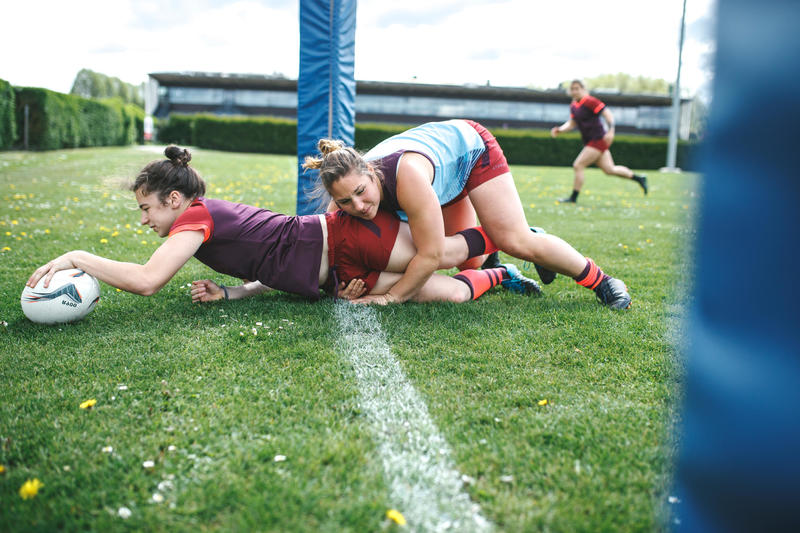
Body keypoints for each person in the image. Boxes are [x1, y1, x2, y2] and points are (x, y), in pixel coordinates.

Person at [26, 145, 535, 305]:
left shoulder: (196, 219)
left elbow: (146, 281)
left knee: (441, 254)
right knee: (450, 294)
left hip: (344, 238)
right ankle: (501, 274)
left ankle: (509, 239)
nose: (144, 220)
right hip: (334, 277)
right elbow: (267, 257)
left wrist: (77, 257)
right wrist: (236, 295)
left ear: (175, 199)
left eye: (147, 209)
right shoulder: (197, 227)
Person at [304, 119, 632, 309]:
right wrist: (345, 284)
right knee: (469, 263)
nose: (358, 207)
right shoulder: (347, 196)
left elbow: (431, 256)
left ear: (370, 172)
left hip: (470, 151)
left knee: (513, 239)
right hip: (439, 178)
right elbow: (331, 251)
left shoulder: (405, 177)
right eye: (346, 202)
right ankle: (505, 266)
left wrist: (390, 297)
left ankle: (601, 280)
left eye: (362, 193)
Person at [550, 79, 648, 203]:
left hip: (598, 140)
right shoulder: (574, 105)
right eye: (572, 89)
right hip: (590, 141)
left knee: (578, 165)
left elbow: (608, 114)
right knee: (610, 170)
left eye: (577, 88)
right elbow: (572, 123)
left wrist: (611, 131)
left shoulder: (590, 101)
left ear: (583, 89)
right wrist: (560, 129)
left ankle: (573, 198)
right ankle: (639, 179)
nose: (574, 91)